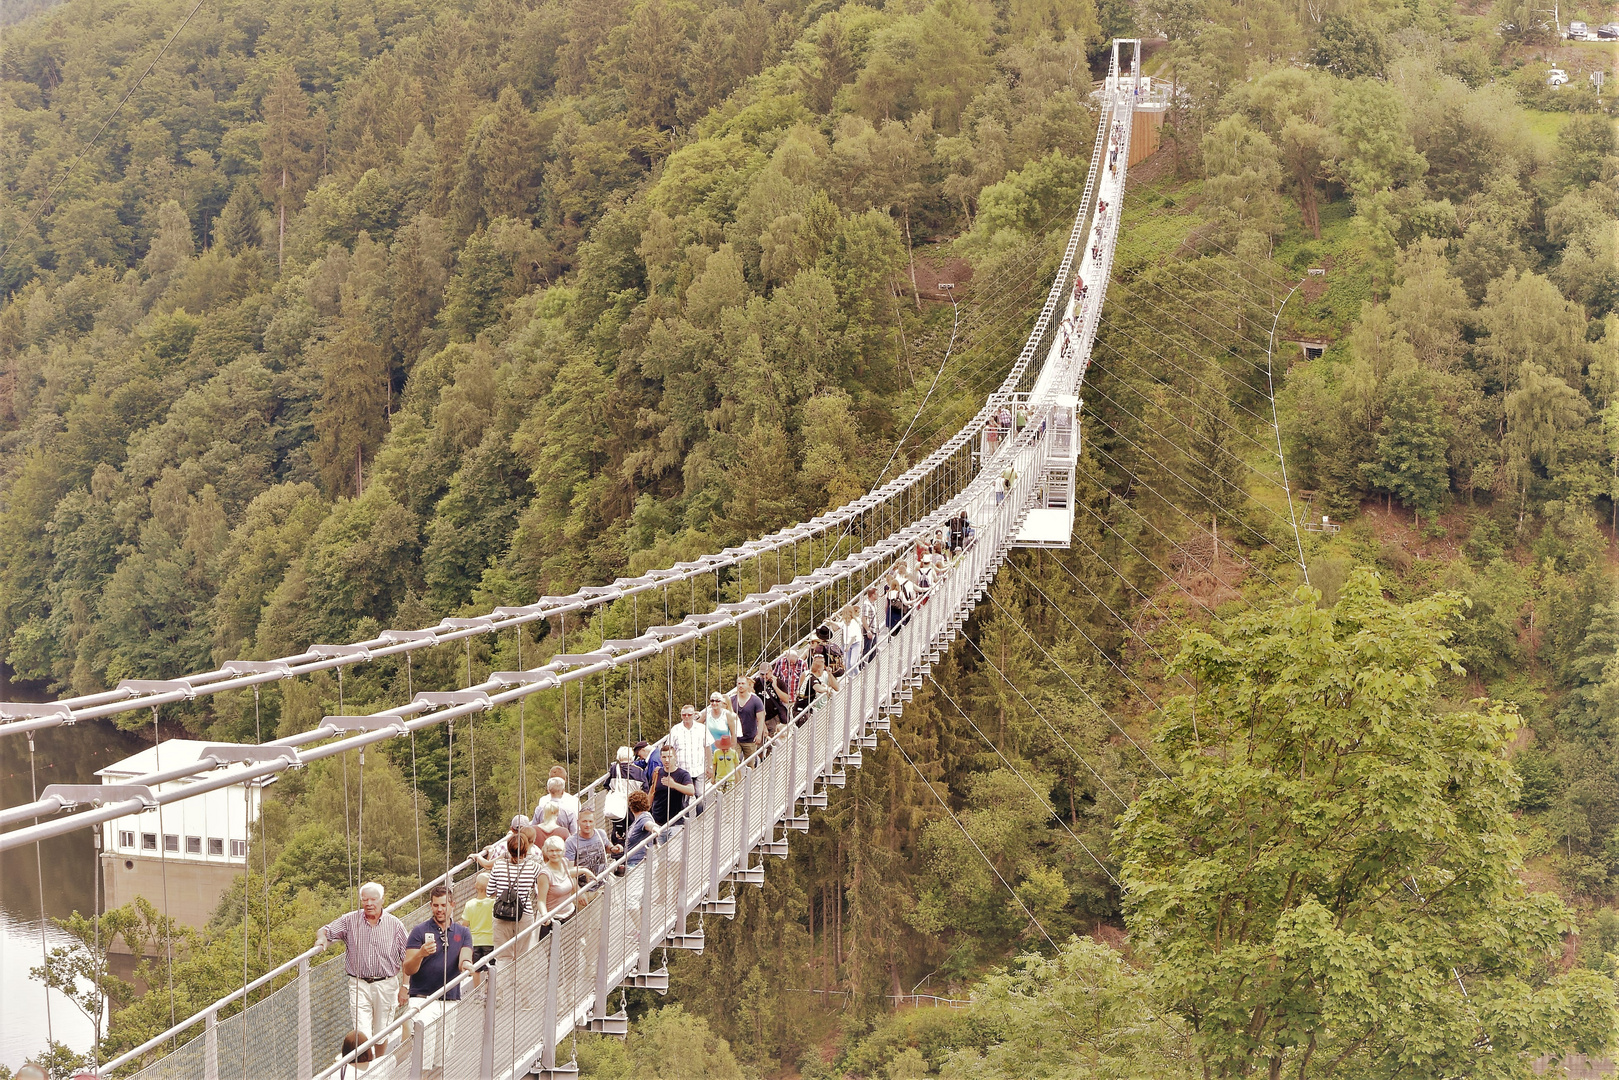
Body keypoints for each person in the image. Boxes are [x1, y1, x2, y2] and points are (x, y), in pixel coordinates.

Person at [315, 882, 407, 1053]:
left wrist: (406, 987)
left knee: (382, 1031)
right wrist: (322, 939)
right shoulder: (349, 920)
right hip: (359, 984)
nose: (369, 904)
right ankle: (365, 1070)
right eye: (365, 900)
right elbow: (325, 930)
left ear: (382, 900)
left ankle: (378, 1066)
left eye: (373, 899)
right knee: (361, 1033)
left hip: (386, 984)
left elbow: (406, 957)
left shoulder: (395, 925)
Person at [401, 884, 473, 1073]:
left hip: (449, 1000)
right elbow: (408, 968)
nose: (439, 909)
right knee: (423, 1055)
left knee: (441, 1059)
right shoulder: (419, 931)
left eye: (443, 905)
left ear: (452, 905)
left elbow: (464, 958)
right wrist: (421, 954)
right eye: (435, 905)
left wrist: (467, 965)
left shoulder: (462, 932)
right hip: (424, 1000)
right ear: (431, 906)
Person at [487, 825, 540, 959]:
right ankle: (520, 980)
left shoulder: (498, 866)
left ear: (508, 849)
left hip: (501, 915)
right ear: (526, 849)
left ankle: (503, 980)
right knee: (522, 955)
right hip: (524, 914)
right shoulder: (534, 867)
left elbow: (489, 892)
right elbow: (541, 886)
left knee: (502, 956)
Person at [536, 834, 594, 929]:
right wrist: (545, 915)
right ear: (546, 852)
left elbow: (567, 874)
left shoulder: (564, 862)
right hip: (554, 920)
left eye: (558, 850)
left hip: (571, 915)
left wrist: (584, 870)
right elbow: (541, 901)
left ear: (563, 851)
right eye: (551, 850)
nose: (555, 854)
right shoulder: (544, 874)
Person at [669, 704, 715, 799]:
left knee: (700, 796)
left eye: (689, 715)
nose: (686, 717)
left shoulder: (701, 728)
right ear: (681, 715)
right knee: (684, 799)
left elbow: (707, 747)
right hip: (682, 770)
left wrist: (710, 766)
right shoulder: (675, 730)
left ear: (694, 715)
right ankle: (685, 814)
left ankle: (701, 814)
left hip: (699, 769)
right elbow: (670, 749)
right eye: (684, 715)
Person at [605, 746, 644, 847]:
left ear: (619, 757)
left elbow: (606, 785)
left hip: (617, 804)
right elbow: (645, 789)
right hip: (633, 805)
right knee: (633, 828)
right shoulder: (639, 771)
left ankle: (619, 852)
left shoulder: (614, 769)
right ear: (631, 757)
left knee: (618, 829)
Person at [463, 872, 495, 989]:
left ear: (475, 886)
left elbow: (465, 924)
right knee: (489, 968)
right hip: (490, 940)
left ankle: (477, 992)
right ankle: (488, 991)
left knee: (475, 969)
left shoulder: (469, 904)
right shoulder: (493, 903)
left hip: (474, 941)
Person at [652, 742, 695, 825]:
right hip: (657, 822)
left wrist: (674, 785)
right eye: (664, 757)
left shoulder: (683, 774)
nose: (667, 760)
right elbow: (652, 792)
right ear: (660, 758)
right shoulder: (657, 772)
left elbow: (691, 791)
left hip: (676, 822)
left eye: (669, 756)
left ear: (675, 757)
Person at [565, 808, 610, 877]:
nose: (588, 825)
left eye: (590, 821)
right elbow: (570, 871)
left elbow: (608, 848)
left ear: (595, 822)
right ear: (578, 822)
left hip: (604, 882)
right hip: (584, 885)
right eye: (584, 821)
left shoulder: (601, 834)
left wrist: (615, 849)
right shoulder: (571, 842)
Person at [532, 770, 578, 836]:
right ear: (563, 791)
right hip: (563, 843)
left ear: (548, 790)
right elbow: (574, 833)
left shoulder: (539, 809)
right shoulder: (569, 811)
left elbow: (533, 830)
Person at [729, 673, 765, 758]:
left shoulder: (756, 701)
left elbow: (761, 718)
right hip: (735, 739)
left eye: (743, 683)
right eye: (739, 683)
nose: (740, 686)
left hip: (750, 739)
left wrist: (759, 734)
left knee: (751, 764)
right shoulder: (732, 700)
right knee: (734, 764)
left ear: (748, 685)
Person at [623, 790, 660, 867]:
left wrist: (654, 828)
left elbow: (648, 824)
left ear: (630, 806)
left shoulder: (643, 817)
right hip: (634, 863)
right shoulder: (637, 820)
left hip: (639, 864)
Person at [841, 607, 864, 674]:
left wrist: (848, 646)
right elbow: (839, 624)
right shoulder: (846, 621)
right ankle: (850, 678)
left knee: (853, 663)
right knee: (847, 663)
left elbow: (854, 636)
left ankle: (858, 675)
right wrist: (830, 621)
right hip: (847, 643)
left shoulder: (855, 621)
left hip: (855, 643)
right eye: (858, 612)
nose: (859, 614)